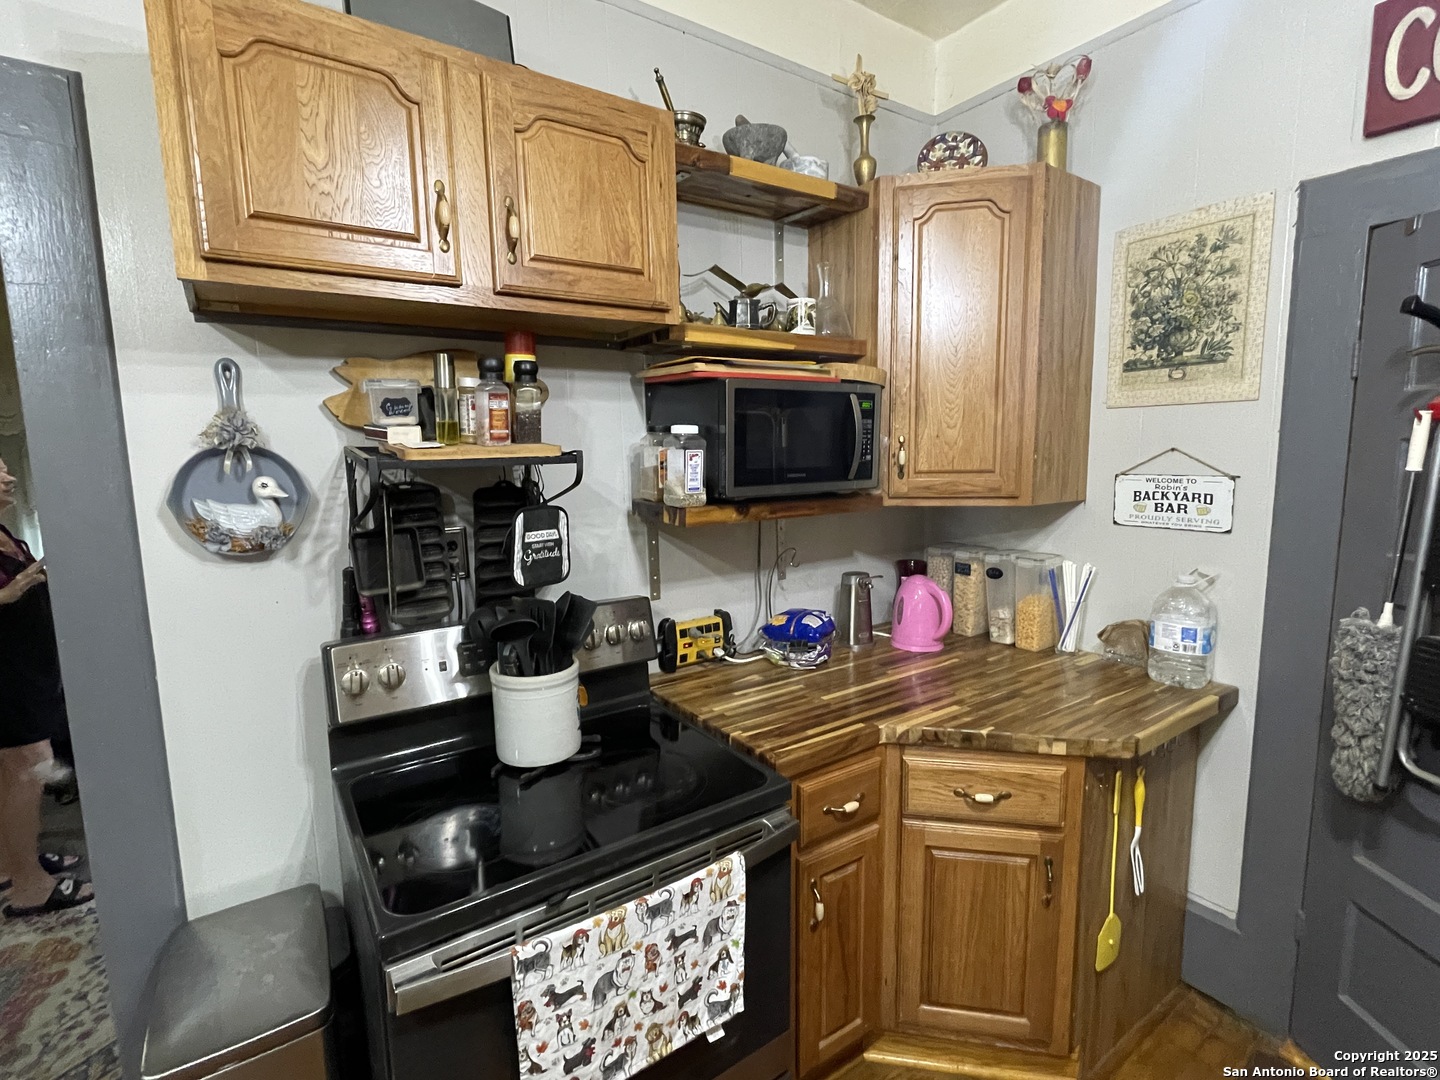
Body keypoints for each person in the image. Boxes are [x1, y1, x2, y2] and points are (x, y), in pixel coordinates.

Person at [0, 454, 91, 916]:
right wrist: (8, 594)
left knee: (12, 772)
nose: (9, 476)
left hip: (28, 671)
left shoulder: (5, 532)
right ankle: (29, 889)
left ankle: (12, 865)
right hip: (6, 677)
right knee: (28, 768)